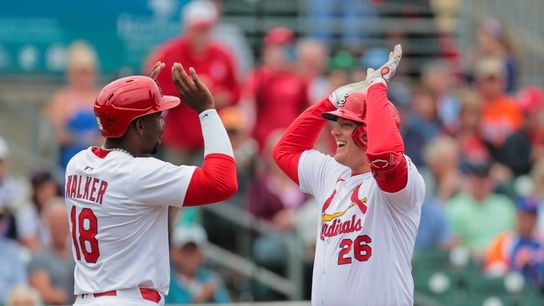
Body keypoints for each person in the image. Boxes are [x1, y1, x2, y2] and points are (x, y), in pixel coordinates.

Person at [65, 62, 237, 305]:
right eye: (157, 116)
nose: (163, 123)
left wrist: (138, 96)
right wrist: (207, 110)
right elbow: (223, 182)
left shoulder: (77, 164)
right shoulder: (139, 174)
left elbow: (124, 156)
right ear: (140, 126)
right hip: (129, 299)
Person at [273, 45, 426, 305]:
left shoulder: (401, 177)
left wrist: (376, 88)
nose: (334, 132)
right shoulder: (331, 171)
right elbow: (285, 151)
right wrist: (333, 99)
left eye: (345, 125)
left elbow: (383, 152)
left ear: (366, 133)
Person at [146, 0, 240, 165]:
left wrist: (220, 97)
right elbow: (155, 91)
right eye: (197, 30)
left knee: (208, 187)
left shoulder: (223, 55)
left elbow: (236, 92)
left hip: (210, 138)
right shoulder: (169, 54)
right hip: (178, 139)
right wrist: (188, 89)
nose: (201, 35)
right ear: (187, 28)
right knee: (177, 187)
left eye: (205, 30)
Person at [46, 41, 101, 169]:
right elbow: (58, 135)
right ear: (71, 72)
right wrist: (86, 139)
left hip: (97, 162)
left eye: (87, 72)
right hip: (70, 162)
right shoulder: (62, 98)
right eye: (79, 72)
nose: (84, 77)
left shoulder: (101, 95)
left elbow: (107, 135)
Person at [446, 160, 515, 257]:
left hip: (501, 259)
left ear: (492, 181)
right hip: (468, 261)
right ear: (470, 180)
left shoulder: (505, 206)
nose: (481, 183)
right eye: (477, 178)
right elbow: (450, 242)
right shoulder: (455, 207)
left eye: (484, 178)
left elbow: (514, 237)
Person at [485, 197, 544, 290]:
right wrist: (515, 265)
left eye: (531, 216)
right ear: (517, 216)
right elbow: (493, 275)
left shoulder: (541, 242)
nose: (528, 220)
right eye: (524, 215)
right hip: (510, 294)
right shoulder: (503, 242)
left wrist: (536, 260)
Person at [166, 225, 230, 304]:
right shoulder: (165, 283)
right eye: (185, 251)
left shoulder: (213, 279)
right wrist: (199, 299)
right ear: (174, 253)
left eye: (194, 252)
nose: (190, 257)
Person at [28, 202, 75, 305]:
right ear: (47, 225)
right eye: (55, 223)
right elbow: (45, 293)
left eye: (63, 222)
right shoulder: (39, 257)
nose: (60, 227)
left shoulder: (77, 256)